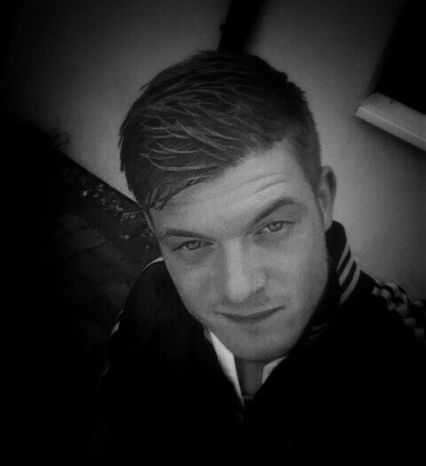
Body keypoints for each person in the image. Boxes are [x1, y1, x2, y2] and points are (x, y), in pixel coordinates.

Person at [92, 51, 425, 464]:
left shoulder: (403, 349)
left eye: (272, 226)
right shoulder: (150, 295)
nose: (239, 289)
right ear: (155, 231)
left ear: (322, 200)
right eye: (192, 245)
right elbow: (115, 411)